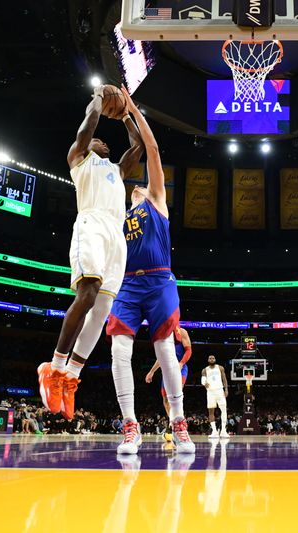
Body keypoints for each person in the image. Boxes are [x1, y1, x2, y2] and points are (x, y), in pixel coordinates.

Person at [38, 84, 144, 421]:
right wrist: (99, 99)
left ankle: (71, 377)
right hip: (92, 226)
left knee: (102, 312)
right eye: (96, 142)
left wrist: (126, 113)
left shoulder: (118, 170)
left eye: (103, 143)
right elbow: (87, 128)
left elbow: (139, 145)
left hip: (117, 234)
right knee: (87, 293)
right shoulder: (79, 162)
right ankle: (53, 369)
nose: (102, 143)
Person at [105, 87, 195, 455]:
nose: (138, 185)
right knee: (117, 354)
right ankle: (131, 426)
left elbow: (152, 150)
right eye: (135, 186)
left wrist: (131, 111)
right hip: (126, 285)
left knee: (165, 353)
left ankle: (179, 422)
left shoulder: (156, 201)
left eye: (141, 184)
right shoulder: (119, 215)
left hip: (159, 281)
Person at [145, 326, 192, 440]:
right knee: (166, 400)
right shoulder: (162, 333)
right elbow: (161, 357)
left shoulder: (181, 332)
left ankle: (180, 426)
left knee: (176, 395)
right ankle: (173, 423)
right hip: (167, 369)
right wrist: (151, 371)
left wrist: (181, 363)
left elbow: (188, 350)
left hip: (180, 368)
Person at [201, 355, 229, 439]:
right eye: (210, 358)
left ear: (215, 359)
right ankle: (214, 431)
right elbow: (203, 379)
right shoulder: (205, 370)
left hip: (220, 391)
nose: (211, 359)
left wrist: (226, 389)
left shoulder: (220, 368)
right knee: (211, 412)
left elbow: (224, 379)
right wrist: (204, 383)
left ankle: (223, 431)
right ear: (208, 360)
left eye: (213, 358)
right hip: (210, 392)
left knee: (223, 410)